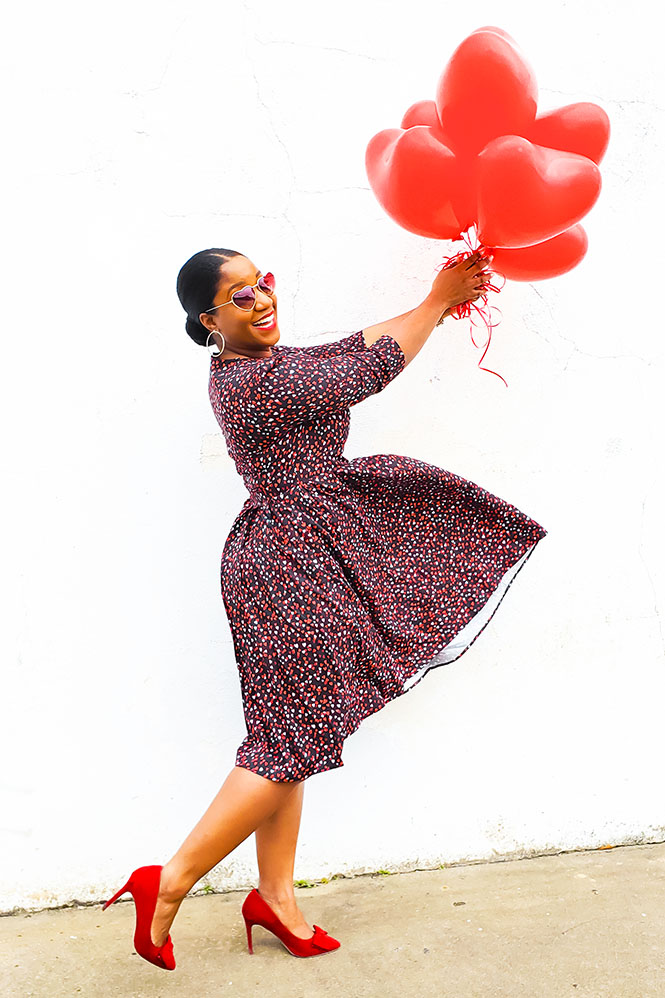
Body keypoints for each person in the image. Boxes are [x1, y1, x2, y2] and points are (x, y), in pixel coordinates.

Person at [103, 247, 547, 970]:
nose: (261, 300)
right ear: (209, 321)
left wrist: (436, 301)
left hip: (292, 556)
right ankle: (171, 880)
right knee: (289, 742)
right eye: (239, 296)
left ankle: (274, 898)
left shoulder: (265, 365)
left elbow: (353, 346)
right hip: (289, 568)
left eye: (263, 283)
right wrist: (436, 300)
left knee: (288, 736)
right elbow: (369, 368)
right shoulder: (255, 383)